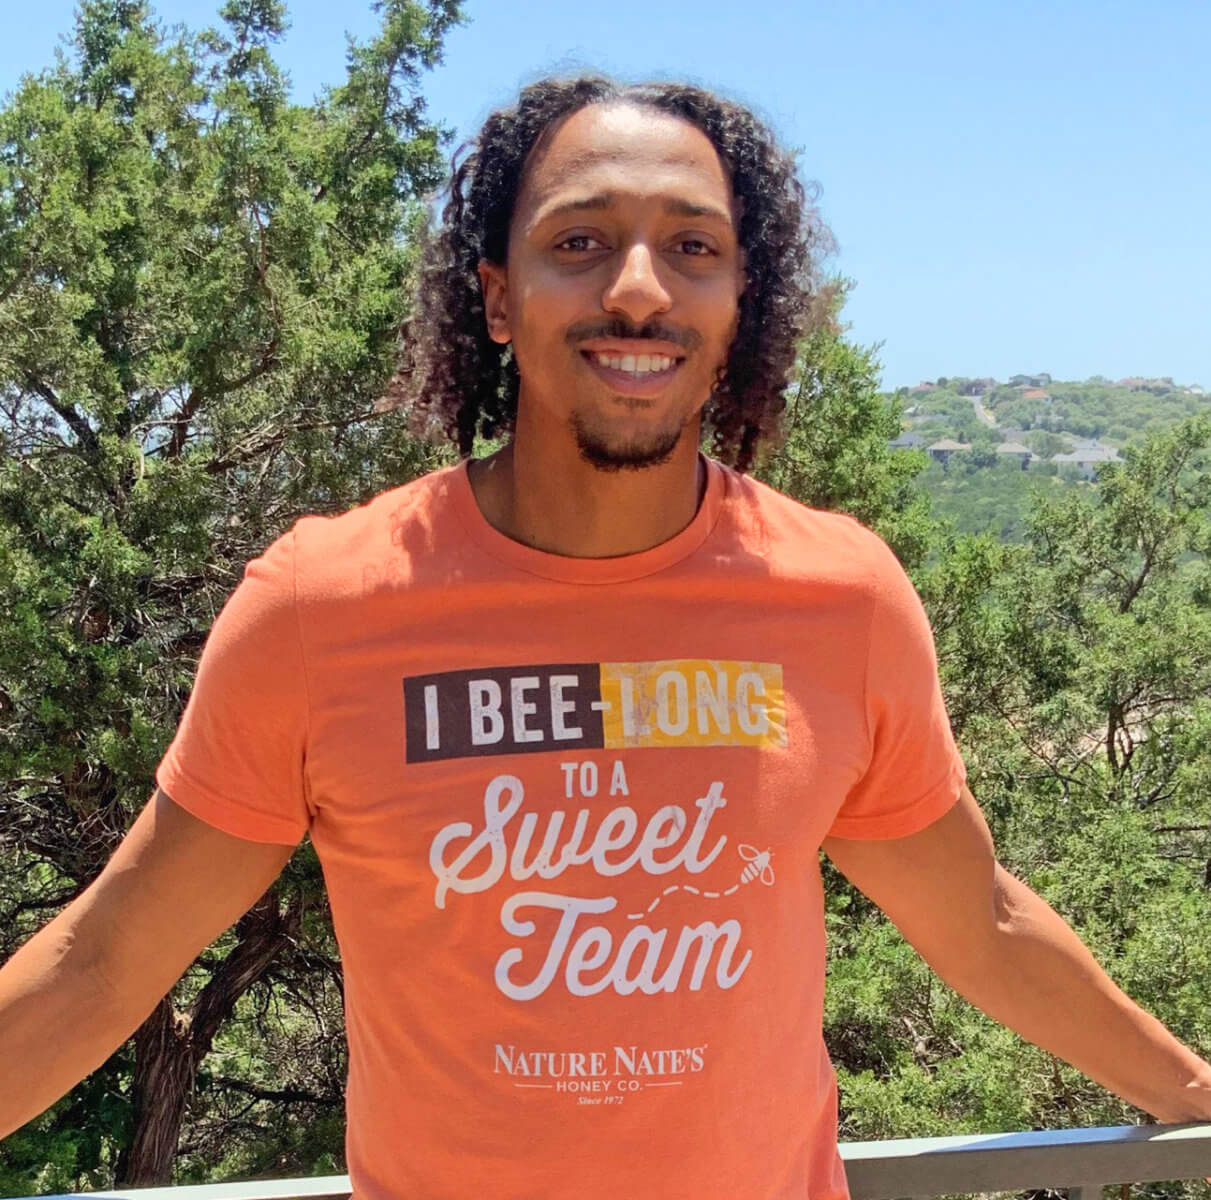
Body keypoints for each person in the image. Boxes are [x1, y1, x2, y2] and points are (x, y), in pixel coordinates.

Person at [1, 74, 1209, 1200]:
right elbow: (111, 959)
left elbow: (978, 921)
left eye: (693, 248)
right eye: (579, 243)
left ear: (740, 305)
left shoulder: (840, 598)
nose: (638, 287)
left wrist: (1191, 1093)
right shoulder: (324, 606)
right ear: (495, 297)